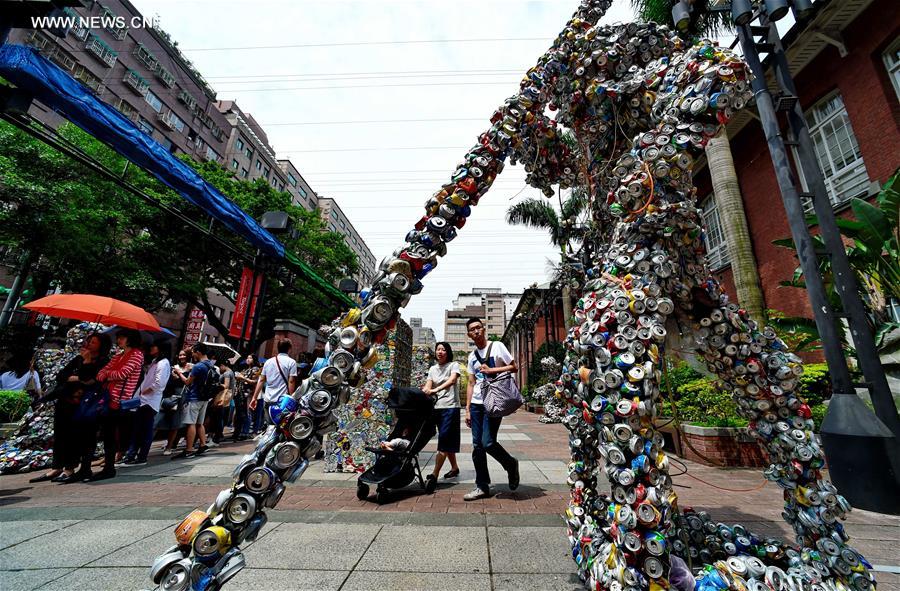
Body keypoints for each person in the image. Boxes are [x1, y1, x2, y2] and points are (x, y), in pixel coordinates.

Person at [29, 332, 111, 483]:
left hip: (84, 404)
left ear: (101, 345)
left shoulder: (103, 362)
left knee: (76, 437)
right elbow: (61, 376)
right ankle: (57, 466)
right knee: (60, 434)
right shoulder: (77, 359)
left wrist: (85, 367)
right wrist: (79, 376)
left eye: (93, 342)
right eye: (89, 341)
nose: (89, 344)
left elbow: (91, 381)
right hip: (65, 401)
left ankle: (70, 468)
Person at [463, 317, 520, 501]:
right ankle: (482, 486)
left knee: (487, 442)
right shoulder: (472, 357)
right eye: (473, 329)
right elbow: (471, 384)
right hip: (477, 404)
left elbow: (514, 367)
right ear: (469, 334)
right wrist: (467, 409)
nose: (477, 331)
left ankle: (510, 464)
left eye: (479, 327)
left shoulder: (497, 346)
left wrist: (491, 371)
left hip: (494, 401)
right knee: (477, 445)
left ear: (484, 329)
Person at [89, 328, 145, 481]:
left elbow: (122, 373)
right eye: (118, 337)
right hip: (107, 399)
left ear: (130, 339)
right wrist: (109, 374)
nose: (119, 340)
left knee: (111, 435)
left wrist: (108, 374)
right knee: (106, 434)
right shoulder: (118, 355)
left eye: (122, 337)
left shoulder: (136, 355)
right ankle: (107, 465)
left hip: (120, 401)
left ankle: (109, 467)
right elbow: (101, 373)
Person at [122, 340, 171, 466]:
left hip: (149, 401)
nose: (151, 348)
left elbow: (159, 383)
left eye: (154, 346)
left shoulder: (163, 363)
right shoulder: (155, 362)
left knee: (144, 429)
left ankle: (140, 456)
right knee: (139, 429)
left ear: (160, 348)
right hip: (144, 400)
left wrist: (145, 391)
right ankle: (132, 455)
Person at [423, 341, 461, 485]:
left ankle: (434, 474)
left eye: (443, 349)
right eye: (438, 349)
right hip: (436, 408)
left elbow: (452, 381)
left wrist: (435, 390)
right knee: (447, 438)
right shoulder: (432, 368)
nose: (440, 352)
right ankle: (455, 467)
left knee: (444, 439)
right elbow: (428, 384)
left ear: (448, 352)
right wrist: (426, 390)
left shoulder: (453, 365)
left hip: (451, 407)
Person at [170, 343, 214, 459]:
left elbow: (187, 382)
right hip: (204, 398)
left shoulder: (198, 366)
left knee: (191, 424)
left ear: (198, 352)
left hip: (194, 397)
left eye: (194, 352)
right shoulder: (210, 364)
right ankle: (203, 445)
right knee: (200, 423)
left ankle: (189, 450)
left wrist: (179, 372)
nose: (193, 354)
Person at [248, 339, 297, 422]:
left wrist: (254, 398)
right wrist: (292, 398)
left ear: (278, 348)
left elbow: (261, 380)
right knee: (280, 427)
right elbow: (291, 381)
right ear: (289, 349)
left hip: (268, 399)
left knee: (269, 426)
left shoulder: (268, 362)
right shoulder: (291, 362)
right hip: (282, 401)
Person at [159, 349, 192, 456]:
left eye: (184, 355)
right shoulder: (173, 367)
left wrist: (178, 375)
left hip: (181, 396)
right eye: (180, 355)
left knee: (175, 422)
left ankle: (170, 446)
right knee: (160, 419)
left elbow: (188, 382)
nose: (182, 357)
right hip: (170, 396)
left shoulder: (191, 367)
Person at [208, 360, 234, 444]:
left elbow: (226, 386)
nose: (219, 369)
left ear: (223, 365)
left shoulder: (227, 373)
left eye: (220, 367)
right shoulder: (231, 372)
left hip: (223, 395)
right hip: (226, 396)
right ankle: (218, 435)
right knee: (221, 416)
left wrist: (217, 384)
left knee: (219, 416)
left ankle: (218, 436)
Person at [235, 355, 263, 435]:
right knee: (242, 413)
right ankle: (239, 432)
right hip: (242, 394)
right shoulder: (246, 369)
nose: (248, 359)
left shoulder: (256, 369)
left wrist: (242, 378)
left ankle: (245, 432)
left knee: (248, 413)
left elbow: (255, 382)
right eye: (247, 358)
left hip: (249, 394)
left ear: (254, 359)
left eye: (250, 358)